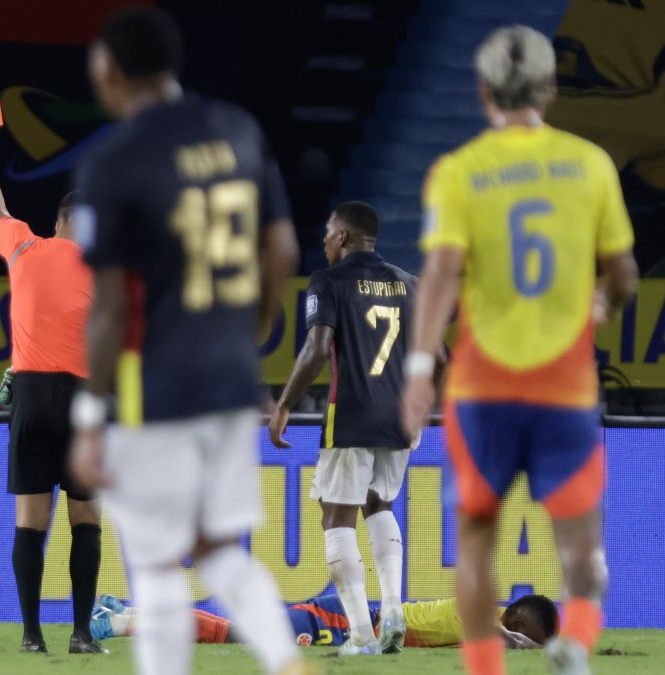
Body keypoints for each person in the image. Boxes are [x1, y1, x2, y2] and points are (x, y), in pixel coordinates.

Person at [68, 8, 312, 675]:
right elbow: (283, 246)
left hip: (158, 388)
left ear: (107, 69)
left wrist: (89, 418)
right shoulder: (236, 128)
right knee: (216, 548)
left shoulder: (114, 162)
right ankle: (287, 661)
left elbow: (111, 309)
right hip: (231, 380)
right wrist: (241, 334)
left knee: (153, 563)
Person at [401, 25, 639, 675]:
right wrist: (601, 305)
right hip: (563, 384)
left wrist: (420, 367)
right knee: (582, 544)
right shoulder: (590, 164)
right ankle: (576, 640)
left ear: (482, 92)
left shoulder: (457, 172)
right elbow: (624, 275)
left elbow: (441, 276)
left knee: (477, 542)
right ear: (550, 87)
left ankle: (486, 667)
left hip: (484, 387)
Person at [0, 125, 105, 655]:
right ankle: (80, 634)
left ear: (57, 224)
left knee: (31, 523)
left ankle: (30, 635)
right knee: (86, 518)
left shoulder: (25, 245)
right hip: (83, 398)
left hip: (29, 395)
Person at [268, 201, 420, 655]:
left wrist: (283, 404)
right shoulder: (410, 284)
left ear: (345, 238)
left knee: (337, 517)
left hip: (352, 414)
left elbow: (317, 349)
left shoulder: (329, 281)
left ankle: (361, 634)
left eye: (328, 233)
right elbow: (442, 358)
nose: (324, 241)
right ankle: (392, 608)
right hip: (399, 416)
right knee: (380, 505)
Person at [90, 592, 558, 650]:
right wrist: (525, 644)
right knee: (228, 634)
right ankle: (116, 623)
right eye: (525, 632)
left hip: (345, 617)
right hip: (338, 619)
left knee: (230, 630)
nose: (523, 646)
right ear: (514, 616)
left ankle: (123, 611)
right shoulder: (475, 612)